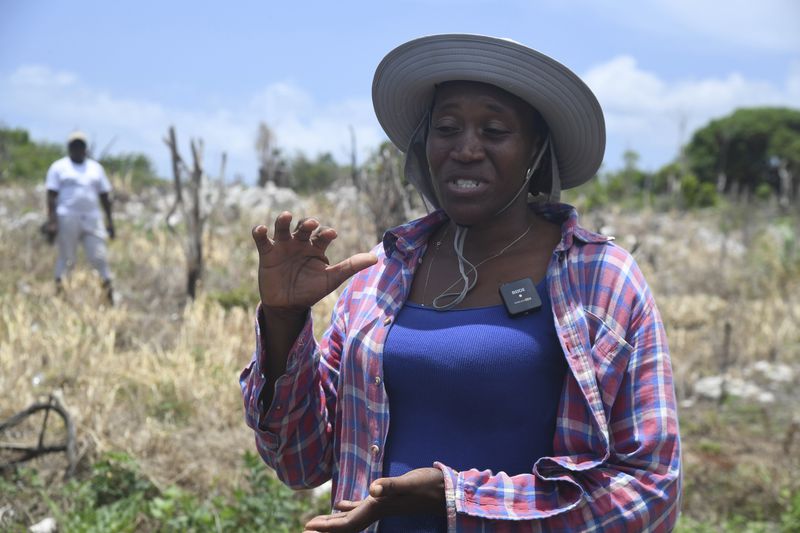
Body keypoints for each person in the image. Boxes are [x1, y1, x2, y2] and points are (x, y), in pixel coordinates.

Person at [241, 34, 681, 532]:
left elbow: (651, 490)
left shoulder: (601, 280)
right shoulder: (380, 276)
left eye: (494, 130)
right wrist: (283, 320)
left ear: (536, 149)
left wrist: (456, 500)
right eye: (447, 127)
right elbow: (302, 462)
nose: (466, 149)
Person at [44, 131, 116, 304]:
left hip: (92, 218)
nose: (77, 148)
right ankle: (60, 297)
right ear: (69, 147)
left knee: (99, 257)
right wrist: (52, 221)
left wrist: (110, 222)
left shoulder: (96, 168)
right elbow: (51, 195)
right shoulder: (59, 167)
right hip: (67, 217)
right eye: (74, 145)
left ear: (86, 148)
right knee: (67, 258)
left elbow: (105, 196)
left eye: (80, 145)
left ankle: (108, 298)